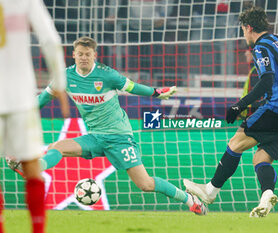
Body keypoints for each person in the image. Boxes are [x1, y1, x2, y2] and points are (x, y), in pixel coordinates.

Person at [8, 36, 207, 215]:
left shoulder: (107, 75)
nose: (83, 58)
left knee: (145, 184)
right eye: (80, 54)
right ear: (73, 55)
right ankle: (32, 170)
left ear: (94, 55)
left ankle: (190, 199)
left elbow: (132, 87)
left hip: (120, 137)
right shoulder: (65, 77)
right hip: (94, 137)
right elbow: (42, 99)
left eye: (87, 54)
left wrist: (156, 92)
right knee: (56, 147)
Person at [183, 6, 278, 217]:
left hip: (276, 111)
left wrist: (239, 105)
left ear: (249, 27)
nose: (244, 35)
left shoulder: (261, 47)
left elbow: (267, 79)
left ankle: (210, 191)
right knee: (261, 158)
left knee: (235, 144)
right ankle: (266, 196)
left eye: (243, 30)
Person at [0, 0, 70, 232]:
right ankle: (37, 229)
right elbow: (50, 40)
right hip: (20, 97)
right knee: (31, 167)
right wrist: (59, 83)